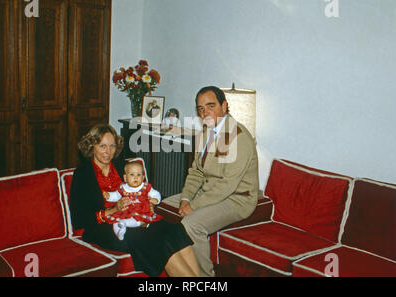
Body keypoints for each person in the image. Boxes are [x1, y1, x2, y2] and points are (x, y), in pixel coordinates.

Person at [69, 123, 199, 277]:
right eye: (102, 146)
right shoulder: (82, 174)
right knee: (156, 240)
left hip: (135, 217)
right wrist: (114, 209)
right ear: (92, 146)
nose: (108, 152)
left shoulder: (121, 165)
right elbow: (79, 219)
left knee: (173, 229)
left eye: (112, 146)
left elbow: (140, 190)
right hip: (106, 227)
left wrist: (148, 205)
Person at [163, 86, 259, 277]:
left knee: (192, 224)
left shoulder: (239, 137)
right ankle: (183, 270)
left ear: (224, 106)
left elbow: (227, 185)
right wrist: (185, 199)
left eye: (210, 106)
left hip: (237, 199)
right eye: (200, 108)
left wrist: (194, 206)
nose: (205, 112)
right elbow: (196, 171)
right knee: (164, 206)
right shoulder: (205, 132)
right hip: (210, 191)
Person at [102, 159, 162, 240]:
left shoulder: (145, 187)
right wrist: (109, 196)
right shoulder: (123, 187)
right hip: (125, 210)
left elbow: (156, 193)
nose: (135, 177)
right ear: (125, 177)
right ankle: (119, 234)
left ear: (143, 177)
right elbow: (116, 195)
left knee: (138, 220)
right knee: (115, 222)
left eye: (139, 174)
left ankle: (125, 223)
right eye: (132, 174)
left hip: (140, 210)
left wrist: (155, 199)